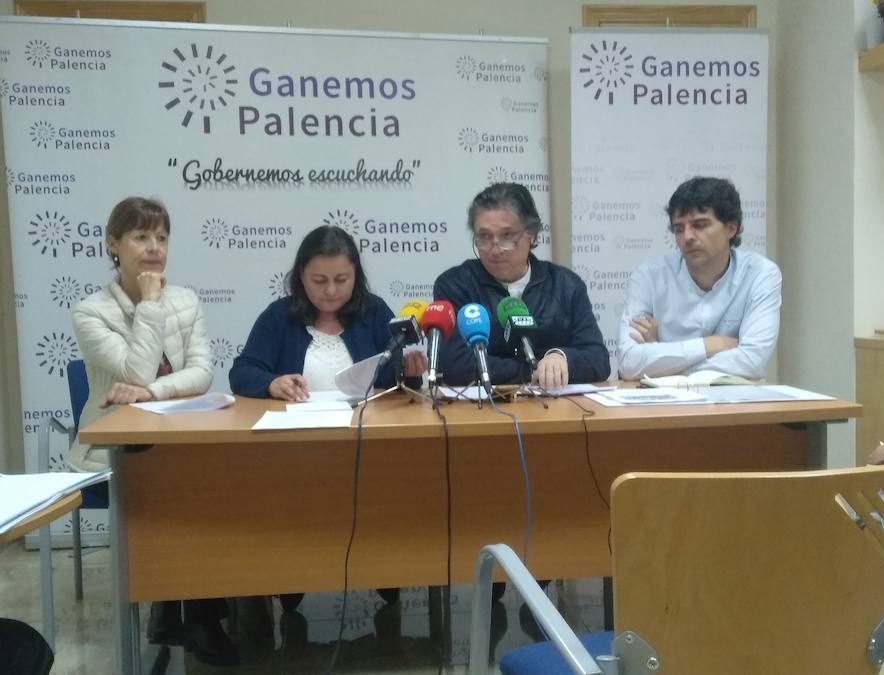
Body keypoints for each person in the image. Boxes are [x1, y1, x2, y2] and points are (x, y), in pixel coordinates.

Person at [66, 197, 238, 667]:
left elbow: (200, 373)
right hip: (115, 444)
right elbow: (133, 368)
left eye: (161, 237)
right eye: (141, 237)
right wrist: (151, 304)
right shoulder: (90, 312)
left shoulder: (188, 299)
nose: (154, 248)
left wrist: (149, 394)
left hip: (182, 435)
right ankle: (199, 616)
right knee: (185, 491)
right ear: (113, 243)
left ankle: (174, 609)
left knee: (221, 483)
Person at [229, 224, 426, 609]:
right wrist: (272, 383)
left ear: (357, 276)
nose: (331, 290)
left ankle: (387, 570)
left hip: (369, 447)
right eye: (319, 280)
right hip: (296, 451)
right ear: (300, 276)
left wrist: (411, 368)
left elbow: (390, 374)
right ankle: (292, 574)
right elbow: (242, 372)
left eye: (341, 279)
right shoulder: (278, 317)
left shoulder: (374, 313)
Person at [432, 182, 610, 390]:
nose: (495, 249)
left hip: (555, 414)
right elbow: (456, 366)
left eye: (507, 236)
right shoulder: (455, 285)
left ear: (531, 234)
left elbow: (598, 359)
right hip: (480, 413)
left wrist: (562, 358)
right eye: (484, 237)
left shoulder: (566, 285)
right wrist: (535, 371)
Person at [617, 176, 783, 381]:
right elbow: (628, 364)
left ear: (731, 228)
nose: (687, 237)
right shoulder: (649, 276)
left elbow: (751, 361)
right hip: (665, 405)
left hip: (736, 403)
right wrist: (710, 344)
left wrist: (658, 355)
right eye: (679, 228)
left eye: (700, 225)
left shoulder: (760, 274)